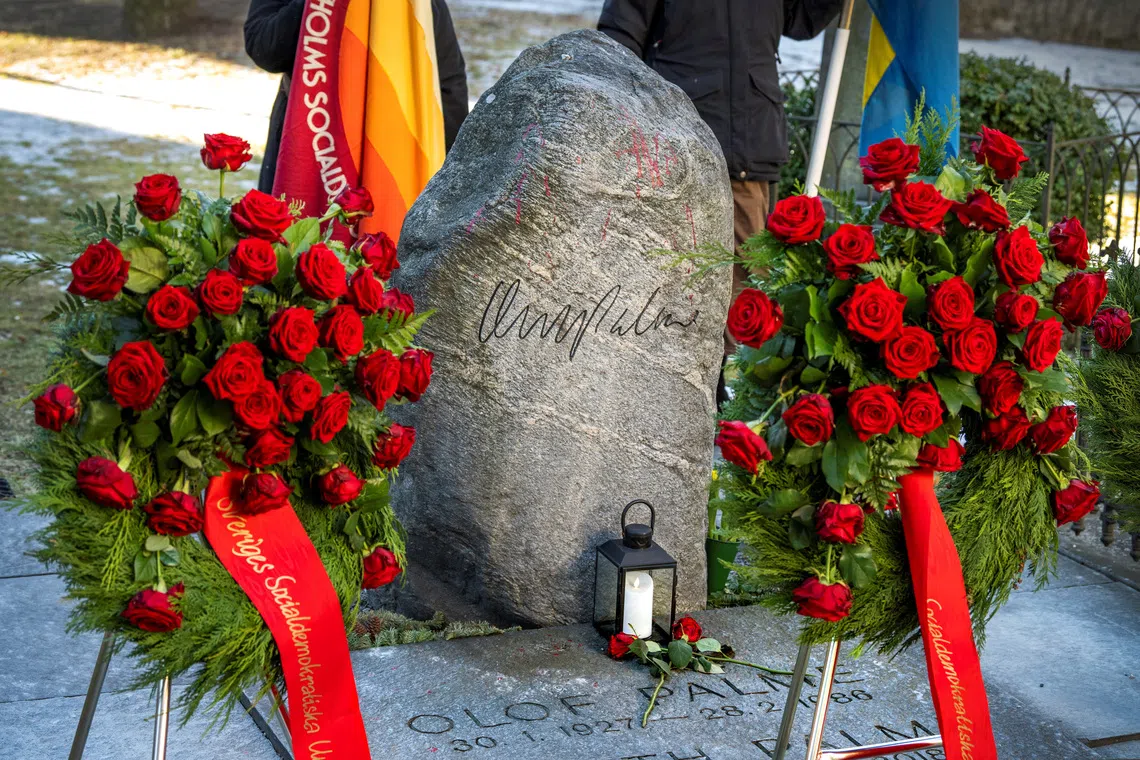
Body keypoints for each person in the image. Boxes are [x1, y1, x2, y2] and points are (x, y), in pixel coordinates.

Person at [598, 0, 843, 398]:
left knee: (746, 283)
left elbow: (801, 20)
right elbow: (618, 41)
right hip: (675, 147)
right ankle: (674, 394)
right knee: (670, 278)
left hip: (750, 145)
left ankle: (718, 391)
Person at [245, 0, 470, 194]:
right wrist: (317, 7)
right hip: (308, 139)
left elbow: (447, 83)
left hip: (392, 161)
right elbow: (263, 47)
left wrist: (445, 177)